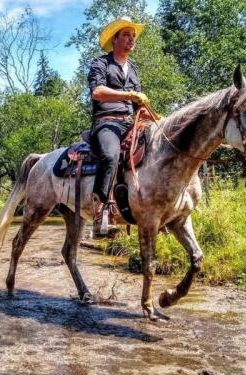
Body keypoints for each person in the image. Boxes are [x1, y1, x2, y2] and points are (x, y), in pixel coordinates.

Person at [87, 17, 150, 237]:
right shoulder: (100, 64)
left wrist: (151, 116)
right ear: (114, 40)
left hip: (129, 122)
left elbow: (138, 103)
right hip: (106, 121)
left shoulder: (132, 69)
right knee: (111, 155)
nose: (131, 39)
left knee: (157, 146)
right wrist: (128, 94)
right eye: (126, 35)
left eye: (133, 36)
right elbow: (97, 92)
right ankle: (100, 210)